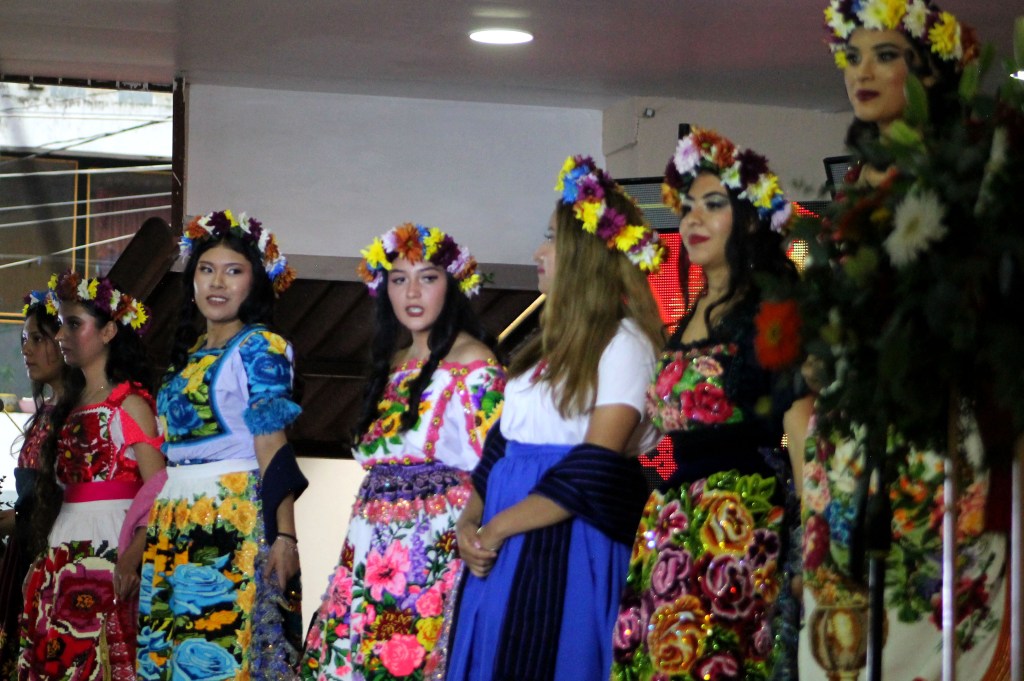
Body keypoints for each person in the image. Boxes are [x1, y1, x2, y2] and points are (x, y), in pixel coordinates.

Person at [799, 3, 1009, 680]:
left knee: (930, 628)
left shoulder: (966, 177)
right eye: (853, 56)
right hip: (846, 443)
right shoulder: (850, 187)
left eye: (885, 55)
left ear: (929, 74)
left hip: (935, 430)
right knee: (840, 641)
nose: (861, 71)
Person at [446, 157, 666, 681]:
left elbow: (595, 464)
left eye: (550, 239)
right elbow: (502, 445)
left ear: (584, 256)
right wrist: (469, 522)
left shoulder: (625, 344)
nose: (538, 253)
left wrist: (497, 527)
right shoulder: (542, 349)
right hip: (505, 542)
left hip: (567, 541)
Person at [609, 128, 808, 680]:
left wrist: (812, 551)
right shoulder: (693, 308)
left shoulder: (772, 308)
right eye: (688, 207)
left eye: (713, 205)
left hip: (742, 525)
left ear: (750, 220)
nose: (692, 219)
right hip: (673, 522)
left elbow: (803, 436)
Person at [300, 223, 505, 681]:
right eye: (399, 279)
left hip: (433, 546)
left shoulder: (473, 361)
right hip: (370, 543)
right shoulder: (393, 363)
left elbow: (496, 465)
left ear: (452, 285)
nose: (412, 292)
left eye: (427, 277)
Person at [134, 210, 306, 680]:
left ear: (255, 283)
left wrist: (285, 536)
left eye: (233, 271)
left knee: (223, 646)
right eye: (207, 270)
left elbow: (272, 445)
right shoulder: (187, 356)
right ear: (191, 280)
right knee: (170, 654)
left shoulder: (261, 347)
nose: (217, 282)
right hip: (174, 519)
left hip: (231, 513)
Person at [18, 270, 164, 680]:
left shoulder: (129, 404)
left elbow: (158, 489)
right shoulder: (70, 405)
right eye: (62, 325)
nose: (61, 335)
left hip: (112, 541)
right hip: (63, 543)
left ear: (109, 331)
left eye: (73, 324)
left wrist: (133, 554)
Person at [0, 290, 68, 676]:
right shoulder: (44, 414)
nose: (26, 349)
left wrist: (13, 520)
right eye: (25, 339)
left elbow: (57, 503)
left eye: (38, 338)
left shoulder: (74, 416)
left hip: (51, 555)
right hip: (24, 551)